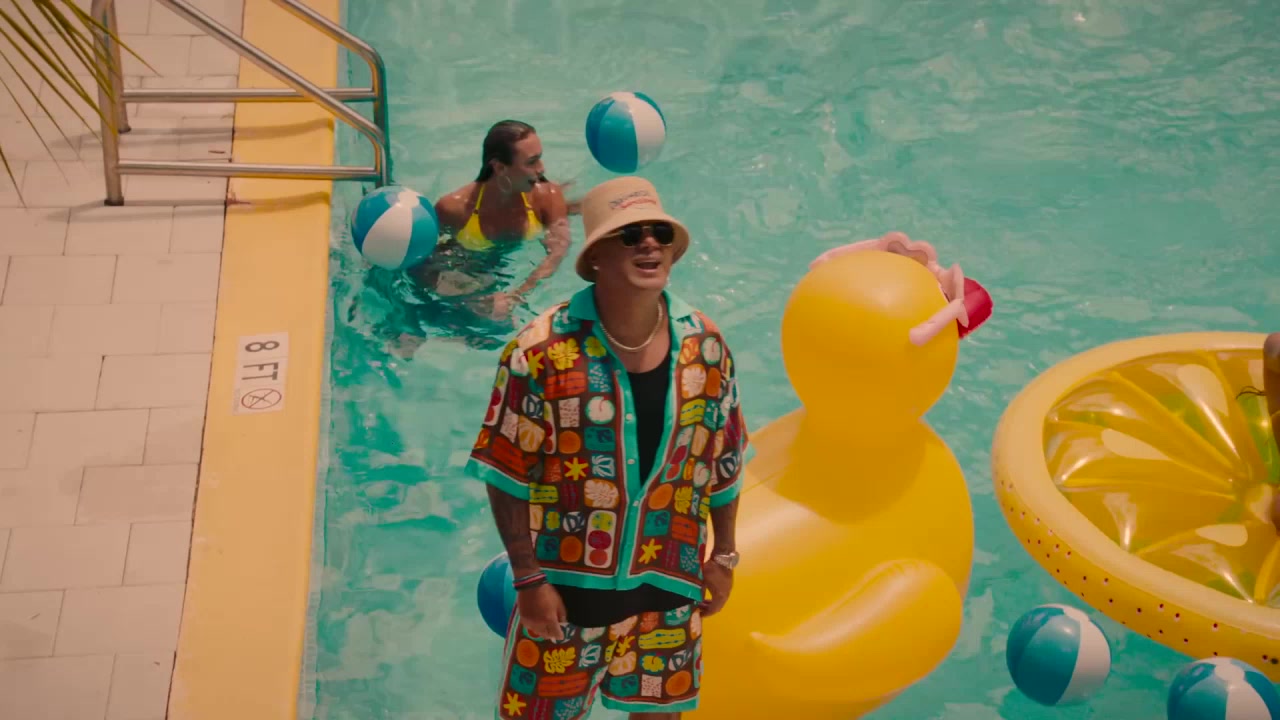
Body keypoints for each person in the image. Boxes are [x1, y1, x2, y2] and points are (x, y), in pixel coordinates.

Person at [466, 176, 749, 719]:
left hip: (670, 588)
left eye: (660, 232)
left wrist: (725, 556)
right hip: (566, 595)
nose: (650, 243)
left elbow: (725, 461)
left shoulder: (706, 347)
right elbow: (505, 472)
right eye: (631, 234)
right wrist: (528, 579)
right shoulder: (542, 352)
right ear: (595, 256)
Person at [355, 120, 575, 356]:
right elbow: (421, 258)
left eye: (539, 158)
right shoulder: (454, 208)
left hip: (494, 275)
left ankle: (437, 335)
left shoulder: (547, 196)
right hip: (459, 269)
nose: (541, 168)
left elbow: (558, 252)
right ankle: (407, 324)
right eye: (531, 162)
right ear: (499, 168)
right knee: (490, 321)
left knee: (500, 330)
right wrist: (465, 294)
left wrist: (517, 295)